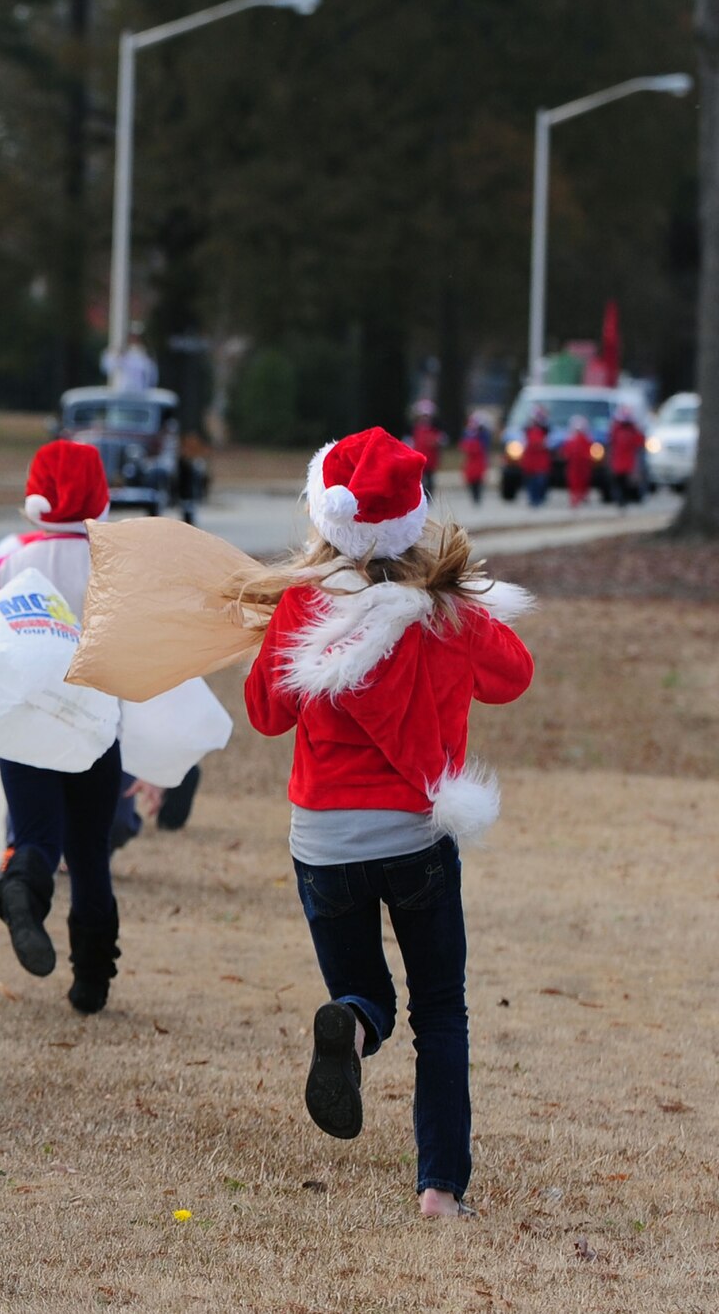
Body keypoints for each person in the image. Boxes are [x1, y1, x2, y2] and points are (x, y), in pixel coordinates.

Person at [232, 426, 534, 1219]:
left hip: (323, 837)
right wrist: (461, 603)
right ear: (414, 520)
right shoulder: (443, 612)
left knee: (367, 990)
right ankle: (439, 1188)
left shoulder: (303, 604)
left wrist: (269, 642)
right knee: (440, 1007)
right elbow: (515, 674)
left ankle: (354, 1025)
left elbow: (266, 713)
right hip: (415, 834)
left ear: (326, 516)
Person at [0, 442, 127, 1014]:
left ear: (35, 499)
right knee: (91, 854)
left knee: (37, 836)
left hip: (25, 731)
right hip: (95, 731)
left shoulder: (12, 564)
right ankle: (91, 980)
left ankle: (20, 886)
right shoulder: (115, 565)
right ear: (102, 496)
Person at [607, 405, 647, 509]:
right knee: (618, 482)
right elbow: (611, 443)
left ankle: (624, 500)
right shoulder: (616, 429)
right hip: (619, 462)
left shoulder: (633, 430)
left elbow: (640, 443)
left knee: (626, 484)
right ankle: (620, 500)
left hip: (629, 463)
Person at [520, 407, 553, 508]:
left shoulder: (546, 431)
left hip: (541, 461)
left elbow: (550, 444)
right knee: (531, 482)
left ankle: (539, 498)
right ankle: (533, 499)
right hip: (530, 461)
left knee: (540, 481)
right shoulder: (527, 430)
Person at [562, 414, 595, 508]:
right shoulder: (571, 440)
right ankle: (575, 498)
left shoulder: (586, 440)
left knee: (583, 481)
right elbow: (566, 453)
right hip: (574, 465)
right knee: (574, 481)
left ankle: (580, 497)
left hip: (582, 465)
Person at [411, 406, 446, 496]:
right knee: (420, 480)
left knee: (430, 478)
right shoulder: (416, 429)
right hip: (419, 459)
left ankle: (429, 496)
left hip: (430, 459)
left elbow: (441, 441)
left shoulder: (435, 430)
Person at [458, 410, 491, 506]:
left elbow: (485, 447)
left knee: (479, 480)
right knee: (471, 480)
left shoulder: (483, 434)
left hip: (479, 460)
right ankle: (474, 497)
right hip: (470, 461)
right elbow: (462, 447)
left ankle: (477, 497)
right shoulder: (466, 433)